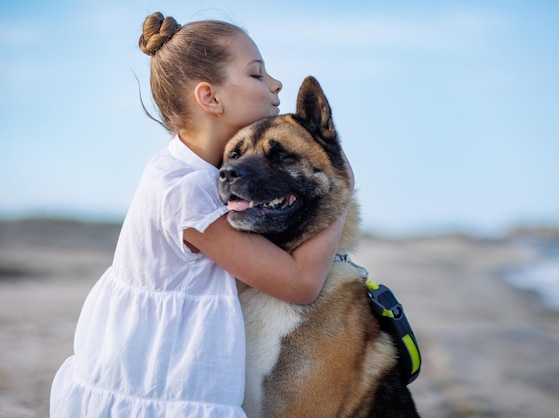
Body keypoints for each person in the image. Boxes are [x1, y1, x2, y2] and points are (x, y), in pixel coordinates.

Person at [50, 11, 352, 417]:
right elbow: (299, 284)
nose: (276, 84)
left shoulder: (193, 171)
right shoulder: (185, 189)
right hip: (156, 390)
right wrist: (339, 189)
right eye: (257, 74)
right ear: (210, 97)